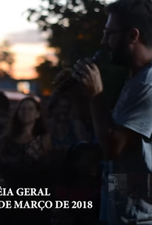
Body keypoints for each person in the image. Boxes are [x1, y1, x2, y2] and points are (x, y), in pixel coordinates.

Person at [73, 0, 152, 223]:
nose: (103, 41)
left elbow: (113, 146)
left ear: (132, 36)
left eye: (109, 33)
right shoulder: (136, 80)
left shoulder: (148, 85)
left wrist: (96, 95)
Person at [0, 97, 52, 225]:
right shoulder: (5, 140)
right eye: (23, 108)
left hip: (34, 198)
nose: (26, 112)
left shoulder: (44, 140)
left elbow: (50, 169)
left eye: (30, 109)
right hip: (9, 198)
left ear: (38, 114)